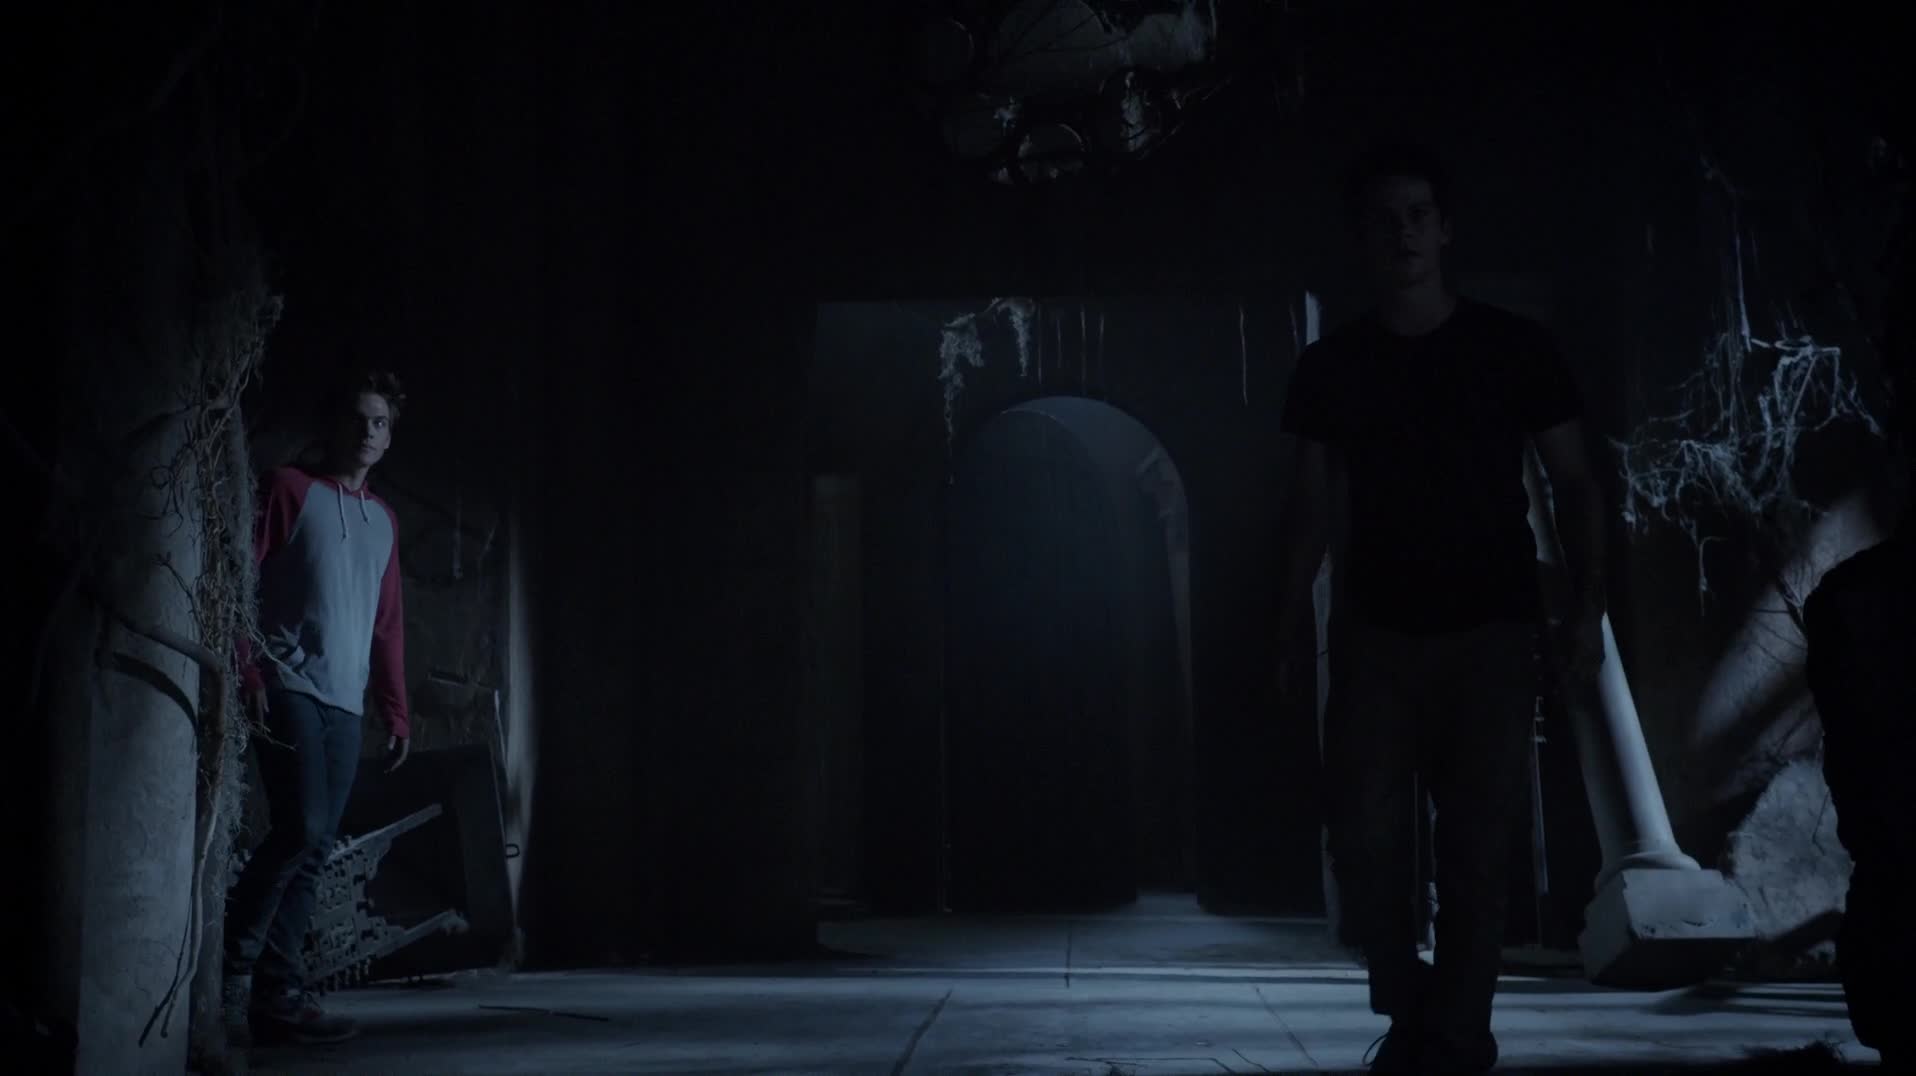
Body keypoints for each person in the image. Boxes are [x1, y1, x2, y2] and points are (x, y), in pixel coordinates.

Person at [1274, 144, 1606, 1074]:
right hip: (1376, 630)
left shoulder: (1512, 349)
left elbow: (1577, 481)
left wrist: (1586, 609)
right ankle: (1410, 1001)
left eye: (1419, 214)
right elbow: (1307, 508)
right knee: (1365, 836)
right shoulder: (1333, 364)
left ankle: (1455, 1034)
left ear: (1446, 227)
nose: (1404, 233)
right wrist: (1286, 623)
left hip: (1490, 628)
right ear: (1361, 236)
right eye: (1385, 218)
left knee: (1477, 842)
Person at [223, 370, 413, 1045]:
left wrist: (395, 709)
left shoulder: (383, 521)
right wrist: (247, 668)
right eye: (358, 418)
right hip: (288, 684)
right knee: (300, 828)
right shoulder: (288, 488)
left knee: (316, 846)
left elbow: (387, 625)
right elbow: (241, 578)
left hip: (345, 702)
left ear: (389, 438)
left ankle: (278, 994)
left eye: (379, 422)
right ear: (334, 425)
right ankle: (233, 966)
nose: (368, 431)